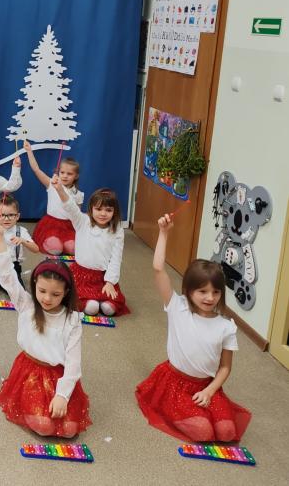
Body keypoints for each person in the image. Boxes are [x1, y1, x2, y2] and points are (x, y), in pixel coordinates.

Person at [135, 214, 251, 442]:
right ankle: (192, 414)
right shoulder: (177, 307)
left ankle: (202, 410)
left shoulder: (226, 326)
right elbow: (158, 269)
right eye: (203, 291)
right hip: (174, 384)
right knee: (203, 432)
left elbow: (225, 367)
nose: (210, 298)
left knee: (227, 432)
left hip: (207, 386)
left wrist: (209, 391)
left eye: (216, 292)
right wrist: (164, 233)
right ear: (188, 291)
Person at [0, 240, 90, 438]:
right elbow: (7, 276)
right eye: (42, 291)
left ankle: (54, 404)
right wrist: (0, 240)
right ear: (35, 284)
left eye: (55, 294)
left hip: (57, 376)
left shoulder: (72, 320)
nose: (46, 298)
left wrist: (62, 395)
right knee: (44, 426)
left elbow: (73, 363)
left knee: (69, 430)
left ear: (66, 293)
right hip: (30, 374)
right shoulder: (26, 304)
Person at [53, 176, 130, 316]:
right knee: (91, 308)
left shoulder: (117, 229)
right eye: (98, 209)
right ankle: (92, 301)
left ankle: (102, 299)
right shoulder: (82, 221)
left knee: (109, 309)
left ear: (114, 211)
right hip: (81, 276)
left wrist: (110, 282)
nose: (103, 214)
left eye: (108, 210)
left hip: (103, 278)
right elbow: (70, 207)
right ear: (91, 209)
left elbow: (116, 258)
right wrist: (60, 190)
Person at [23, 139, 83, 255]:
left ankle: (66, 245)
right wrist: (29, 151)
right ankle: (55, 244)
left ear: (76, 176)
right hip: (51, 224)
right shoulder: (51, 184)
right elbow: (36, 169)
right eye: (62, 172)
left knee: (73, 248)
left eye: (69, 174)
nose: (65, 176)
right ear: (58, 172)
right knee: (56, 248)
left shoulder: (78, 194)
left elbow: (78, 216)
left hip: (68, 226)